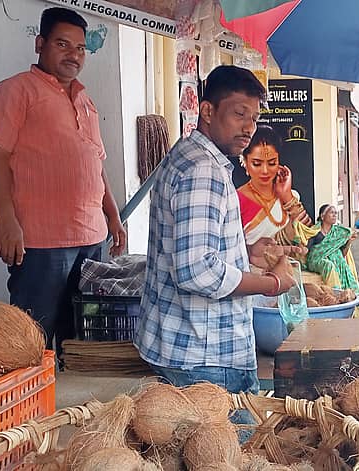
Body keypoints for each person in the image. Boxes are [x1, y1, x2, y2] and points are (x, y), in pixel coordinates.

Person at [136, 65, 298, 397]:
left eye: (254, 118)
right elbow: (197, 271)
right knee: (234, 433)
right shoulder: (202, 170)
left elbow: (193, 246)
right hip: (206, 357)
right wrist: (272, 284)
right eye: (239, 114)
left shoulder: (187, 154)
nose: (249, 128)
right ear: (208, 111)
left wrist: (244, 251)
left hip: (185, 347)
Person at [0, 7, 126, 355]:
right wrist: (6, 220)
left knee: (81, 343)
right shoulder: (16, 91)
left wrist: (113, 215)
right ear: (40, 44)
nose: (73, 55)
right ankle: (33, 393)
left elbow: (96, 163)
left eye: (80, 48)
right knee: (32, 341)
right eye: (62, 44)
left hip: (91, 237)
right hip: (42, 241)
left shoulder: (86, 101)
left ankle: (67, 392)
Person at [236, 125, 310, 252]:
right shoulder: (236, 200)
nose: (265, 171)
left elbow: (308, 236)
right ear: (244, 162)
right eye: (257, 164)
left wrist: (287, 196)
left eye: (272, 163)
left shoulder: (291, 196)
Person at [305, 204, 359, 293]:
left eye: (335, 213)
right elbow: (308, 250)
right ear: (322, 216)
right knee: (329, 265)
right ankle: (336, 292)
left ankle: (351, 293)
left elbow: (342, 254)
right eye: (331, 213)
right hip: (317, 260)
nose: (335, 215)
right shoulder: (314, 231)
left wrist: (349, 241)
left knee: (342, 264)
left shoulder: (338, 232)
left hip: (336, 260)